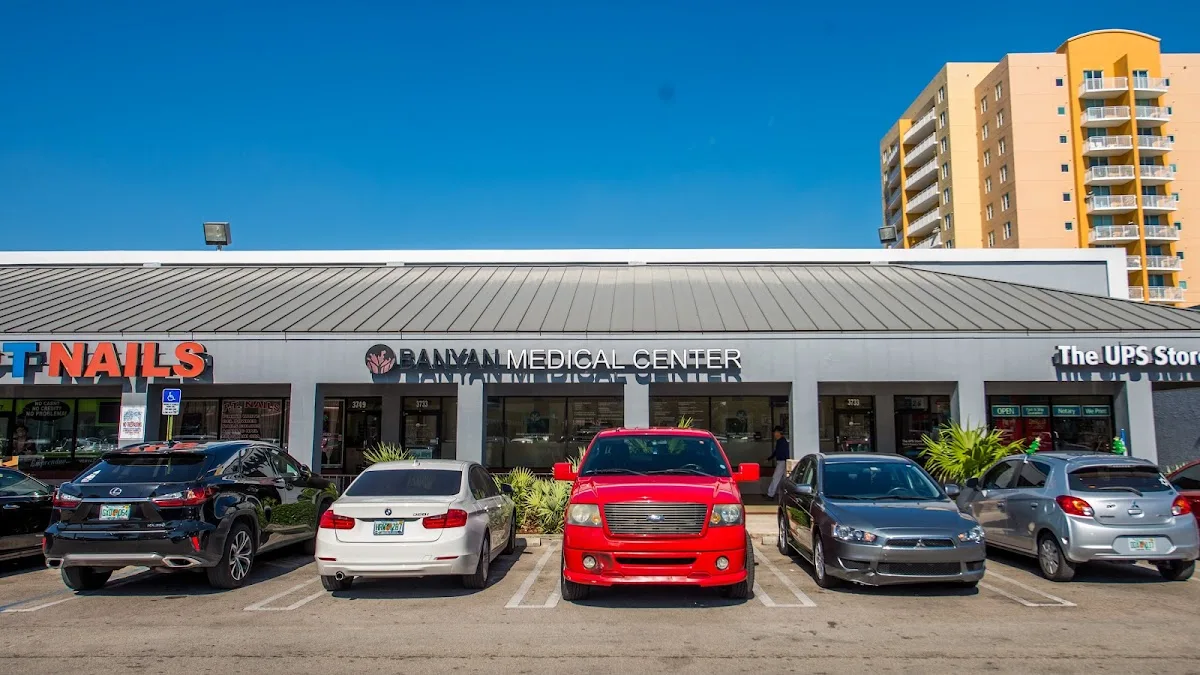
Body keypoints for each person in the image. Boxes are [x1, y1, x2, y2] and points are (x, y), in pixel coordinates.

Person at [766, 425, 790, 499]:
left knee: (776, 478)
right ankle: (782, 495)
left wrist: (787, 462)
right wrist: (769, 458)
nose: (774, 434)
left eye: (776, 432)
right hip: (782, 462)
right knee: (783, 479)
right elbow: (776, 452)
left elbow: (785, 452)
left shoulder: (782, 442)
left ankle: (770, 494)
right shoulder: (780, 441)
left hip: (783, 462)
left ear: (779, 433)